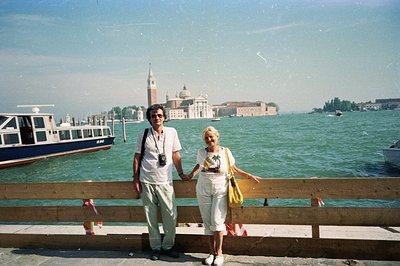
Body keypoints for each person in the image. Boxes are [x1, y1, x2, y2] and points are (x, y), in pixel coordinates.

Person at [187, 126, 261, 266]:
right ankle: (211, 253)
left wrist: (249, 176)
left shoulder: (225, 152)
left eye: (211, 137)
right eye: (206, 138)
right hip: (203, 189)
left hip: (221, 189)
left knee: (217, 221)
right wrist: (190, 175)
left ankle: (219, 253)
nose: (209, 140)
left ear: (217, 136)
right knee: (208, 222)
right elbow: (198, 166)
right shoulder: (201, 152)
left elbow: (234, 169)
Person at [132, 104, 188, 261]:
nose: (157, 118)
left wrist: (181, 173)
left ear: (164, 117)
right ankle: (156, 248)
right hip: (146, 180)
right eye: (153, 116)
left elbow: (176, 154)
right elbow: (137, 157)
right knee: (150, 217)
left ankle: (168, 246)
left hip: (165, 181)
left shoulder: (172, 132)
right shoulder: (143, 134)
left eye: (159, 115)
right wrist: (135, 179)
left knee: (171, 215)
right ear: (149, 119)